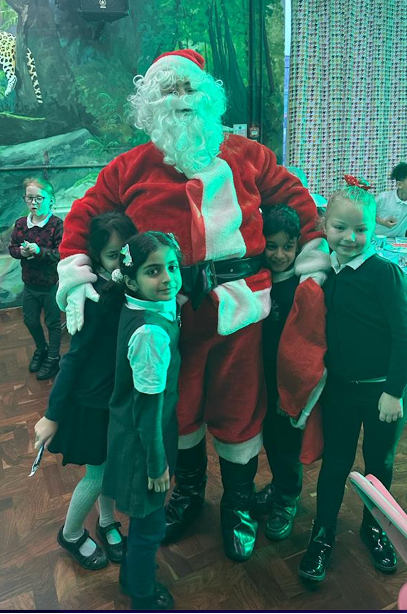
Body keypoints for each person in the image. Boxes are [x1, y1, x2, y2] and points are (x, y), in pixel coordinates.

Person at [56, 49, 329, 562]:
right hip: (167, 315)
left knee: (240, 407)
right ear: (149, 105)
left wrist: (313, 258)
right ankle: (188, 494)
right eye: (169, 90)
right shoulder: (129, 167)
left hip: (240, 308)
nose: (180, 99)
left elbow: (295, 198)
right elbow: (86, 214)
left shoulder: (248, 155)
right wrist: (74, 272)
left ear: (208, 97)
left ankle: (238, 503)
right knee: (177, 409)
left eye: (188, 88)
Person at [298, 186, 407, 583]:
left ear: (374, 229)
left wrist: (394, 391)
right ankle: (322, 533)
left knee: (379, 464)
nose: (351, 238)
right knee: (335, 463)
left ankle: (376, 527)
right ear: (324, 225)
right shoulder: (323, 273)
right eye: (340, 228)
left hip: (383, 392)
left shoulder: (385, 274)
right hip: (341, 391)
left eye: (361, 229)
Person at [33, 211, 137, 570]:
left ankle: (107, 521)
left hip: (119, 398)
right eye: (112, 255)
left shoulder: (130, 287)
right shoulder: (93, 298)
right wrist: (52, 415)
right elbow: (73, 358)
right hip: (94, 402)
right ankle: (72, 532)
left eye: (126, 253)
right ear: (96, 257)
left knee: (110, 465)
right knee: (98, 474)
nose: (121, 261)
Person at [102, 231, 183, 611]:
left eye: (172, 267)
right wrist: (156, 464)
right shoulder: (150, 333)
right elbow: (148, 409)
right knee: (150, 525)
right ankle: (142, 594)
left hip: (136, 434)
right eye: (154, 271)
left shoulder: (146, 307)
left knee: (143, 519)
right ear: (132, 281)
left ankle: (131, 575)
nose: (168, 278)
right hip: (143, 444)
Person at [257, 204, 305, 540]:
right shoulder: (258, 279)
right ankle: (279, 484)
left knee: (288, 443)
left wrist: (291, 390)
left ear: (298, 245)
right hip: (261, 378)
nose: (279, 254)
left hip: (288, 383)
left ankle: (288, 497)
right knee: (270, 440)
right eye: (271, 246)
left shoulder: (303, 286)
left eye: (287, 247)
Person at [9, 177, 63, 380]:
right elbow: (12, 248)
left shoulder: (57, 224)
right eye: (29, 198)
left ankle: (53, 357)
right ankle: (42, 348)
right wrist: (21, 252)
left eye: (39, 198)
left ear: (51, 200)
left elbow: (60, 253)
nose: (34, 203)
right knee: (30, 320)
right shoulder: (21, 224)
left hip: (51, 285)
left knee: (53, 323)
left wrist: (40, 251)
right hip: (30, 284)